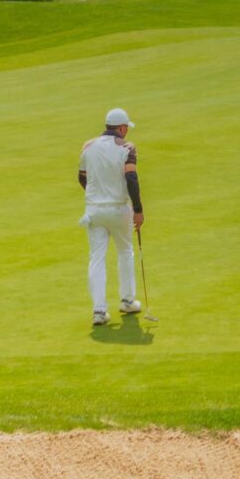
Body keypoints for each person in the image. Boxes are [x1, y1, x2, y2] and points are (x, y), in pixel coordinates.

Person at [77, 106, 145, 327]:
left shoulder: (88, 146)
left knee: (96, 258)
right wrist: (138, 210)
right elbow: (131, 179)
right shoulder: (127, 147)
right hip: (118, 209)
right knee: (125, 251)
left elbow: (82, 177)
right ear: (122, 128)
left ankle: (99, 311)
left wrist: (97, 196)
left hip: (94, 211)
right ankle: (127, 300)